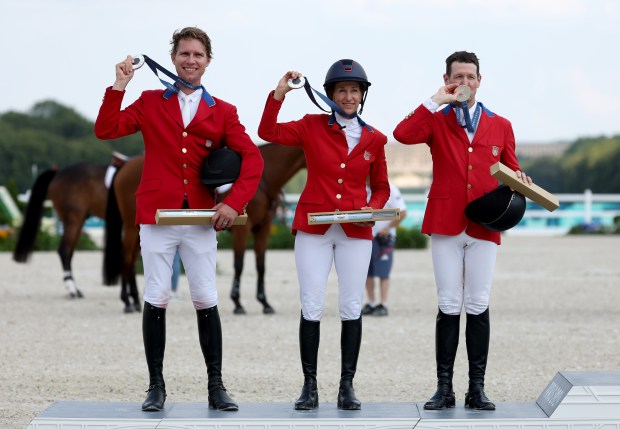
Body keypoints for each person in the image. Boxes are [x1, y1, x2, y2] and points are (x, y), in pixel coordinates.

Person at [94, 27, 264, 412]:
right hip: (157, 215)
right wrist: (119, 86)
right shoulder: (150, 101)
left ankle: (216, 387)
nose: (191, 60)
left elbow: (253, 159)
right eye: (184, 53)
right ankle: (155, 386)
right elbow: (106, 129)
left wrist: (233, 203)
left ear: (208, 61)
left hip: (203, 217)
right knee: (157, 296)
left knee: (205, 297)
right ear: (173, 58)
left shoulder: (223, 111)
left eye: (198, 55)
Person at [393, 51, 532, 411]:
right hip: (446, 221)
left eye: (471, 76)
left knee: (478, 302)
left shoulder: (501, 124)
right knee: (448, 303)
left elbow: (511, 169)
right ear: (448, 79)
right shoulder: (437, 120)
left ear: (480, 81)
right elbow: (402, 133)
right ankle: (444, 388)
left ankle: (477, 388)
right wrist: (436, 99)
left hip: (485, 224)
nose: (465, 83)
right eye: (458, 77)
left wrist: (521, 180)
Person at [258, 60, 390, 411]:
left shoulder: (376, 138)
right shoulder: (310, 126)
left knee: (350, 306)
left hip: (355, 231)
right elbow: (267, 131)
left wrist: (371, 206)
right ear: (330, 95)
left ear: (362, 95)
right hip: (313, 227)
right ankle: (310, 385)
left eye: (354, 91)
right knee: (312, 304)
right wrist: (279, 95)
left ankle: (347, 386)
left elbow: (381, 187)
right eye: (342, 91)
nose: (348, 96)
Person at [361, 180, 407, 317]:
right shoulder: (360, 188)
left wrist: (388, 228)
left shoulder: (391, 188)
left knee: (383, 272)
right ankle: (372, 302)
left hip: (383, 238)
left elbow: (402, 213)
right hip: (366, 236)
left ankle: (383, 303)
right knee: (367, 272)